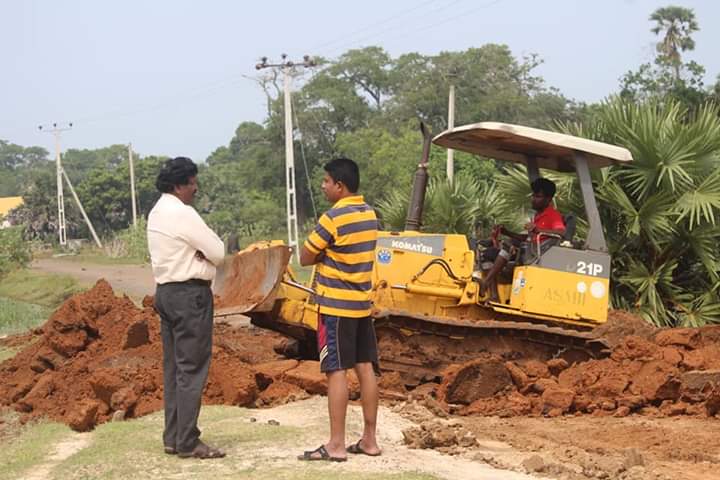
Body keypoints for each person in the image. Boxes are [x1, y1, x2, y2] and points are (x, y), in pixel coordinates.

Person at [297, 157, 381, 462]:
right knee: (366, 368)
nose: (323, 186)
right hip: (361, 306)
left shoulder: (332, 218)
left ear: (339, 185)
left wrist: (324, 255)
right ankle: (370, 440)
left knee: (335, 371)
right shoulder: (370, 214)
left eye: (326, 181)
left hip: (334, 307)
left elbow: (305, 257)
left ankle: (335, 445)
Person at [147, 157, 226, 459]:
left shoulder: (156, 212)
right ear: (179, 185)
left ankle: (174, 436)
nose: (195, 187)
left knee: (174, 369)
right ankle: (189, 441)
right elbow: (218, 253)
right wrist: (201, 257)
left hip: (165, 292)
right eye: (192, 182)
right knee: (191, 369)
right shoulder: (183, 213)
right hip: (190, 295)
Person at [480, 177, 565, 300]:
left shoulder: (553, 215)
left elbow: (561, 232)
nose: (533, 199)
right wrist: (507, 232)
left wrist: (538, 230)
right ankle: (494, 295)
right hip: (528, 250)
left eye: (538, 196)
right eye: (533, 195)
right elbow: (527, 237)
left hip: (537, 255)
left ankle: (486, 282)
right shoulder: (538, 215)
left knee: (510, 244)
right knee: (488, 254)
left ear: (548, 199)